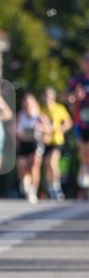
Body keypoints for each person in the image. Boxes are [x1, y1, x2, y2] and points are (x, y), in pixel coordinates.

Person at [40, 86, 72, 200]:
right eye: (46, 96)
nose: (47, 98)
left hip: (57, 140)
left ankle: (57, 186)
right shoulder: (42, 110)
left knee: (53, 162)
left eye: (49, 96)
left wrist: (59, 129)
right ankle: (51, 187)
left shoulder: (59, 108)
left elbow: (68, 122)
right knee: (47, 165)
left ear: (53, 97)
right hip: (46, 141)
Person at [16, 92, 46, 204]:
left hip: (35, 143)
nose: (27, 105)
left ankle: (33, 192)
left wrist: (40, 129)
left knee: (34, 164)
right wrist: (18, 133)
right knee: (22, 166)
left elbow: (48, 130)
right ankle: (25, 181)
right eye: (25, 102)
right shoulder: (20, 116)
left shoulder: (39, 116)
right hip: (23, 144)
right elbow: (13, 131)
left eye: (29, 102)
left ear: (34, 103)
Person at [67, 51, 89, 192]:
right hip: (81, 121)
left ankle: (85, 169)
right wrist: (75, 97)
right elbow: (69, 101)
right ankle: (84, 166)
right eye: (85, 62)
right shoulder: (76, 80)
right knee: (82, 149)